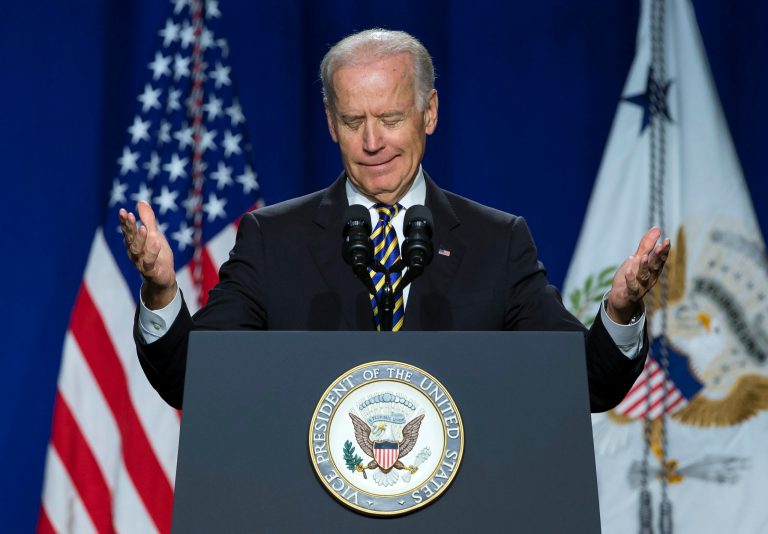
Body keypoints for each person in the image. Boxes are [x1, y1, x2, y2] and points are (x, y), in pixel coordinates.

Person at [119, 29, 670, 411]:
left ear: (429, 113)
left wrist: (620, 311)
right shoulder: (272, 239)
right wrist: (162, 292)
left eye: (390, 117)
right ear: (330, 123)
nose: (372, 141)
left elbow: (583, 385)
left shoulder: (496, 242)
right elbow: (193, 381)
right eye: (352, 120)